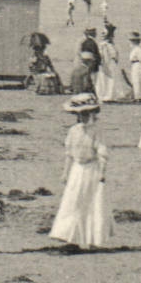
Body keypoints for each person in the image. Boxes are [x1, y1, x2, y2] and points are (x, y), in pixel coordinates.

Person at [50, 93, 113, 250]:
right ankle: (71, 238)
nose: (83, 117)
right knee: (73, 201)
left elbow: (102, 153)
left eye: (86, 114)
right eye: (79, 114)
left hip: (92, 169)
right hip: (77, 170)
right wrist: (65, 172)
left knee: (93, 203)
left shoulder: (97, 131)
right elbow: (69, 153)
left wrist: (102, 173)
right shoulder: (74, 130)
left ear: (92, 113)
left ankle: (93, 241)